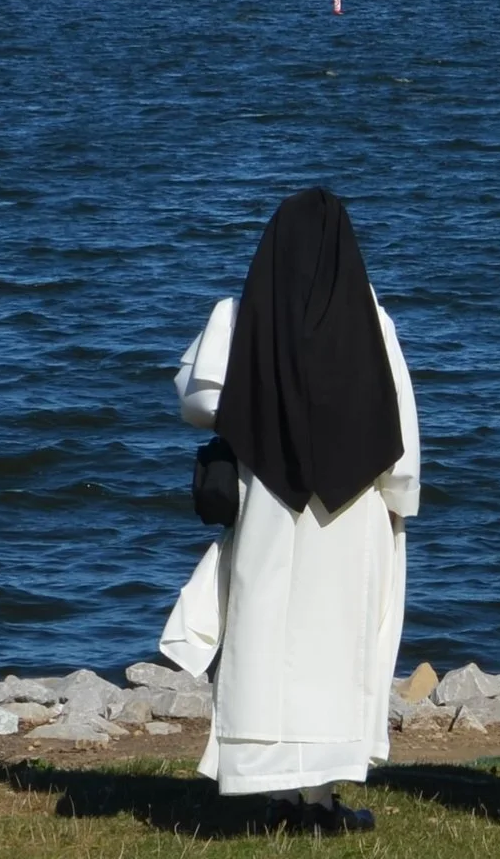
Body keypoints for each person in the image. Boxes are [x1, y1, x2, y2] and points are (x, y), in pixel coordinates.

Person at [162, 188, 420, 834]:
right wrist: (399, 504)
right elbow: (403, 436)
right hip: (352, 512)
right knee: (336, 655)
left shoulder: (238, 316)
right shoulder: (375, 323)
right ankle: (323, 802)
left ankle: (276, 798)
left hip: (269, 509)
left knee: (265, 646)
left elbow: (194, 400)